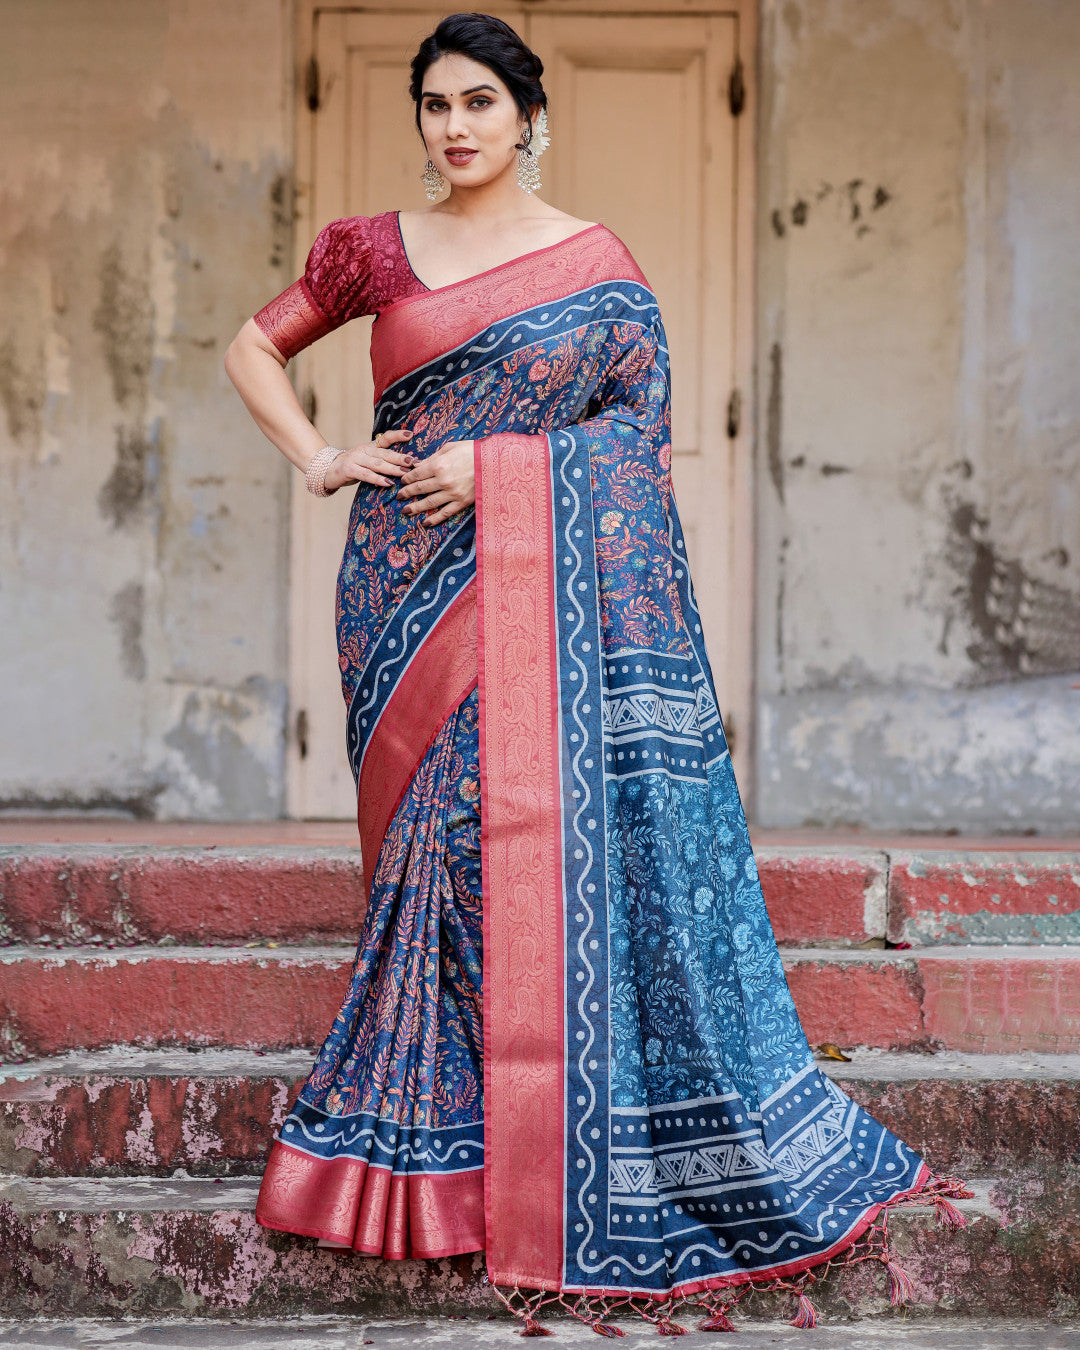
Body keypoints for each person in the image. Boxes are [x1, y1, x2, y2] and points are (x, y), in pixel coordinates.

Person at [224, 10, 970, 1335]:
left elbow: (638, 442)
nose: (456, 126)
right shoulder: (370, 249)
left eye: (480, 102)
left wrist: (501, 470)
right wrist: (322, 457)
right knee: (432, 852)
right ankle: (440, 1161)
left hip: (533, 598)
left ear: (529, 116)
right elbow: (252, 346)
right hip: (400, 590)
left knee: (501, 850)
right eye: (436, 103)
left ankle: (521, 1155)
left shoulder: (598, 268)